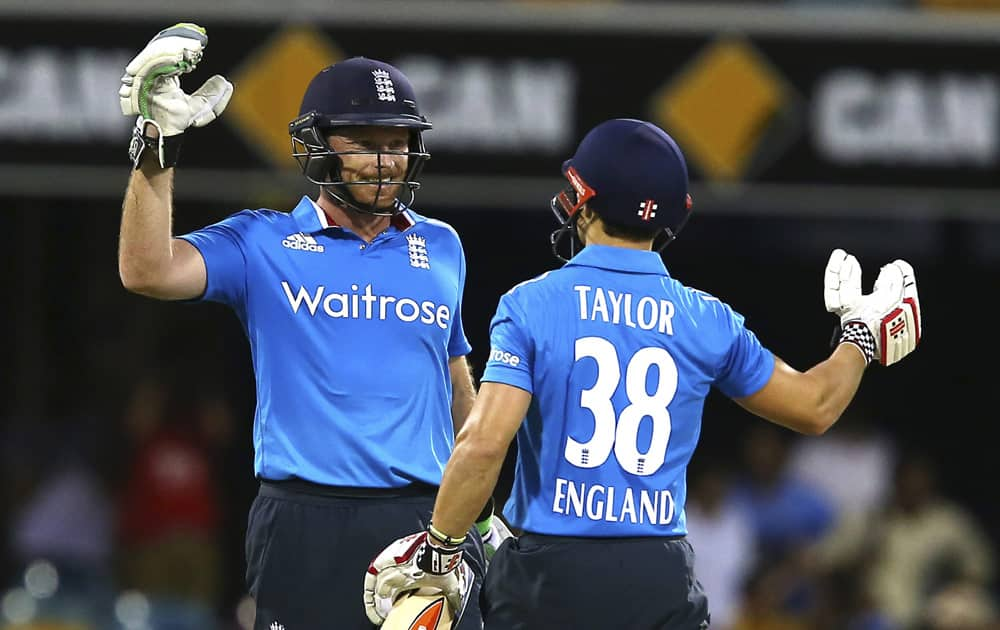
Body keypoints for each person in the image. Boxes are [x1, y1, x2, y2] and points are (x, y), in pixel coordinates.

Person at [363, 118, 922, 629]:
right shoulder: (706, 318)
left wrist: (440, 549)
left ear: (582, 199)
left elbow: (484, 446)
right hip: (658, 576)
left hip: (548, 574)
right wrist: (860, 338)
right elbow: (816, 405)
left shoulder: (533, 304)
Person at [116, 23, 489, 629]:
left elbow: (454, 383)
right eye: (365, 140)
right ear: (318, 147)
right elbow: (146, 270)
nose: (387, 158)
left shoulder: (443, 246)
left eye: (398, 140)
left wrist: (477, 509)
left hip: (427, 521)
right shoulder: (263, 241)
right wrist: (157, 145)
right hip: (305, 521)